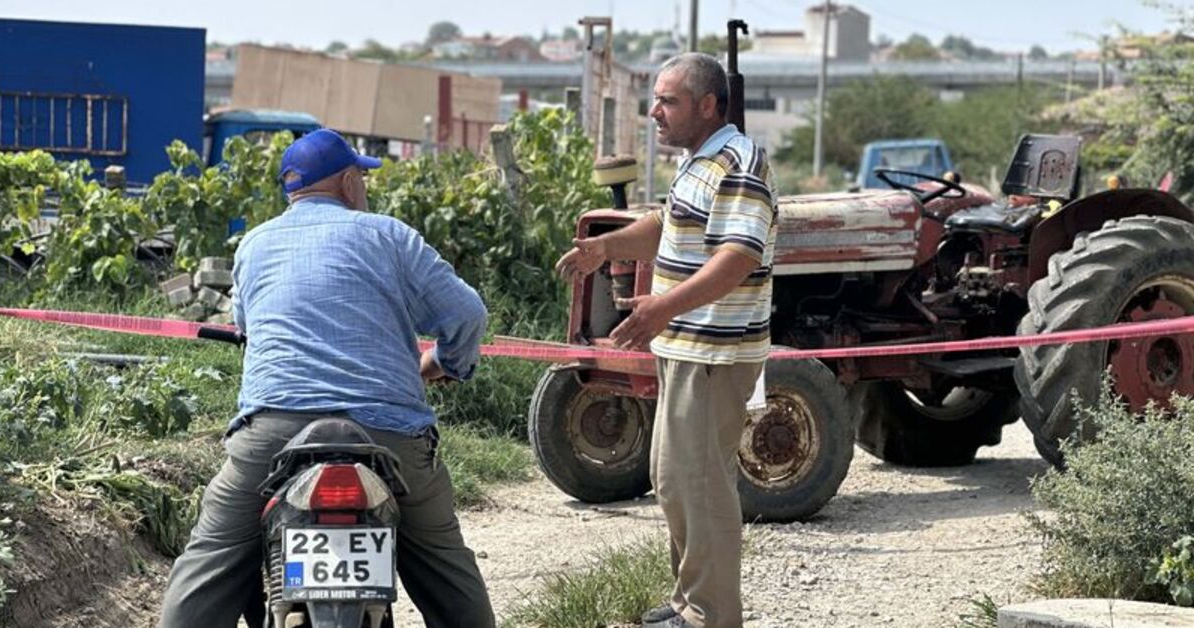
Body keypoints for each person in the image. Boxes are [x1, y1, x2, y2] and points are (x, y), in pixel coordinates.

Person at [158, 129, 496, 628]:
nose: (363, 185)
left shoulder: (253, 245)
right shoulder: (389, 235)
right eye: (361, 175)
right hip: (389, 436)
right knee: (445, 562)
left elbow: (248, 331)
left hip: (273, 434)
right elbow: (467, 313)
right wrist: (447, 364)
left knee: (211, 557)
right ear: (345, 182)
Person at [556, 53, 777, 628]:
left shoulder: (738, 163)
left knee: (700, 486)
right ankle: (689, 601)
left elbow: (738, 257)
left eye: (669, 101)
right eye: (656, 99)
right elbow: (666, 222)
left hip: (714, 354)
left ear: (708, 105)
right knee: (676, 480)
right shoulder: (698, 162)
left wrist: (662, 307)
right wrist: (607, 247)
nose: (655, 112)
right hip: (686, 350)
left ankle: (710, 614)